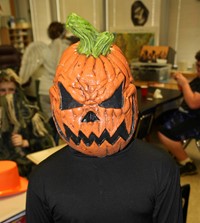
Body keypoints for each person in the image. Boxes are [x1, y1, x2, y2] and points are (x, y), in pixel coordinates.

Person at [26, 13, 183, 222]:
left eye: (107, 101)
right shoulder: (42, 179)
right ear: (56, 102)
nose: (92, 117)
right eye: (75, 102)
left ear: (130, 98)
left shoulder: (162, 169)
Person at [0, 68, 55, 177]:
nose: (7, 94)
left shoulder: (30, 113)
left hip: (25, 167)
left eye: (11, 90)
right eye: (3, 90)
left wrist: (26, 142)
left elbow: (48, 142)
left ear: (17, 91)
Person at [157, 50, 200, 176]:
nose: (198, 69)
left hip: (196, 120)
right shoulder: (198, 79)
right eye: (197, 65)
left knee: (165, 133)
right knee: (162, 118)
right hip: (187, 114)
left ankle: (187, 163)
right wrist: (181, 83)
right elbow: (188, 94)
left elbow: (193, 103)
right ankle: (176, 150)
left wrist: (185, 83)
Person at [19, 21, 72, 119]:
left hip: (44, 90)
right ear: (63, 32)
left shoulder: (44, 49)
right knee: (63, 121)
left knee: (48, 122)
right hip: (59, 90)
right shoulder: (67, 48)